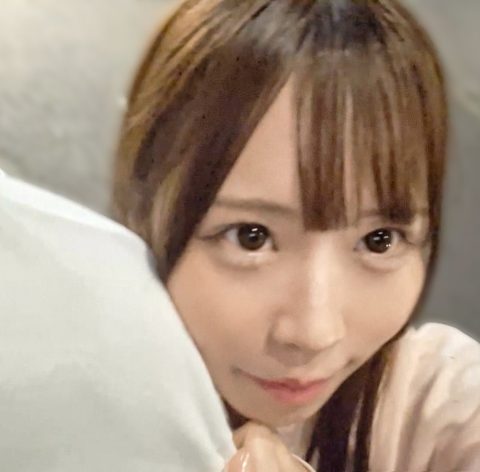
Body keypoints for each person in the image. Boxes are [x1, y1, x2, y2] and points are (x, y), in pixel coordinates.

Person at [113, 0, 480, 470]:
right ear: (143, 208)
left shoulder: (436, 408)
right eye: (251, 236)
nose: (314, 333)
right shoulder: (60, 409)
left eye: (380, 240)